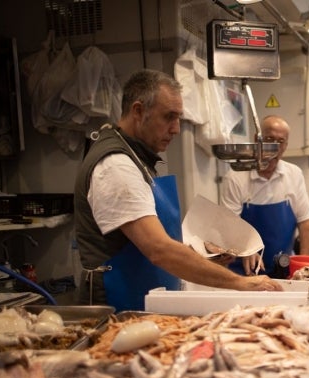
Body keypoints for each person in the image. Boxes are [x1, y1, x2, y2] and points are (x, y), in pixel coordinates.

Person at [73, 69, 282, 311]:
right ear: (138, 111)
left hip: (143, 302)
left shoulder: (137, 158)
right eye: (169, 117)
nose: (176, 128)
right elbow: (159, 249)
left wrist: (205, 258)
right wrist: (240, 283)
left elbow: (150, 244)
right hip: (117, 307)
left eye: (178, 118)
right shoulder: (115, 165)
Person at [221, 115, 309, 277]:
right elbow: (229, 226)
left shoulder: (294, 174)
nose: (274, 146)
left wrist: (302, 268)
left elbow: (306, 223)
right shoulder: (235, 177)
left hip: (284, 269)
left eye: (280, 141)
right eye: (269, 139)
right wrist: (246, 249)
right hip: (242, 272)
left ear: (285, 146)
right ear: (256, 140)